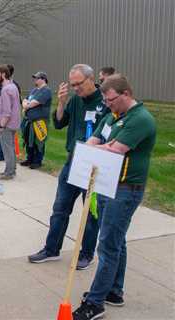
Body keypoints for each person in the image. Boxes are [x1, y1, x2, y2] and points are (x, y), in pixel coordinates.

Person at [73, 74, 156, 320]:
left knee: (108, 244)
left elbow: (115, 149)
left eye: (110, 100)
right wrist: (92, 145)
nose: (107, 105)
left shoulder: (140, 119)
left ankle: (95, 303)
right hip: (108, 184)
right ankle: (114, 290)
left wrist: (90, 149)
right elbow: (96, 137)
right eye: (106, 101)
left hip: (126, 189)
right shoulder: (113, 116)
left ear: (126, 94)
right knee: (117, 240)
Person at [28, 64, 109, 270]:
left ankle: (86, 254)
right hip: (73, 161)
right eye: (72, 85)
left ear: (91, 80)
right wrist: (62, 103)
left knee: (90, 213)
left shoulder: (105, 102)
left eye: (78, 84)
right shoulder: (75, 100)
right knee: (60, 208)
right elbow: (58, 123)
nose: (75, 88)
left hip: (95, 164)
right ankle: (51, 249)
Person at [20, 71, 52, 169]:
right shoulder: (34, 90)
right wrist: (26, 104)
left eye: (37, 78)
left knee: (38, 141)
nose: (35, 80)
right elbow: (25, 100)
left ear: (43, 79)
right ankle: (29, 159)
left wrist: (26, 106)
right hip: (29, 120)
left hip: (40, 122)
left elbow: (34, 102)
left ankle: (37, 161)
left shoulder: (46, 90)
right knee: (28, 140)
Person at [0, 65, 21, 180]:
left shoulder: (6, 90)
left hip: (7, 124)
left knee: (7, 149)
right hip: (14, 124)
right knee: (11, 148)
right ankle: (11, 170)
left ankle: (9, 173)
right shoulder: (13, 86)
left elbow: (6, 111)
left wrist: (2, 125)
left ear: (3, 75)